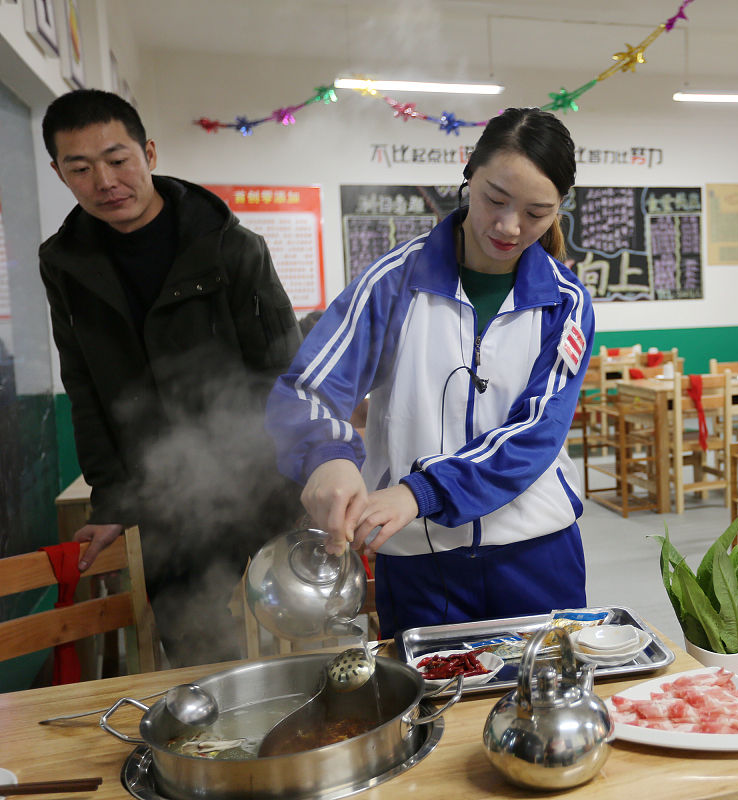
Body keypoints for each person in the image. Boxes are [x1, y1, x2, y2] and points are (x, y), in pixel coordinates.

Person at [266, 107, 595, 639]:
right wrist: (327, 457)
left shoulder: (564, 302)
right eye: (494, 200)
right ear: (469, 176)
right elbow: (307, 391)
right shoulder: (394, 284)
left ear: (560, 208)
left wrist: (421, 491)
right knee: (434, 715)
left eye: (537, 212)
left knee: (544, 710)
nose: (509, 227)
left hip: (536, 556)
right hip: (420, 562)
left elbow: (536, 433)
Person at [39, 89, 303, 666]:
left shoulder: (231, 248)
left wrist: (299, 473)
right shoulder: (64, 263)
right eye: (80, 168)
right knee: (192, 643)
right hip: (162, 490)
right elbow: (82, 380)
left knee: (295, 637)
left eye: (117, 159)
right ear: (60, 174)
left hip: (257, 478)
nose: (104, 181)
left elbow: (283, 372)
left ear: (149, 153)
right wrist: (109, 496)